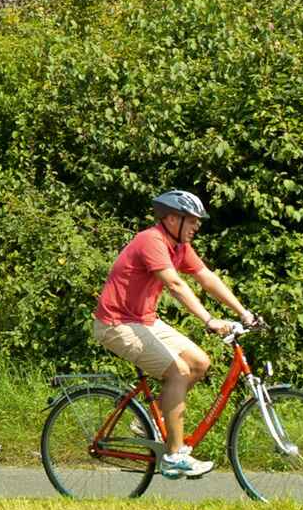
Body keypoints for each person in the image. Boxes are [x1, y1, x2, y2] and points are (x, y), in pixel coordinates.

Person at [92, 190, 256, 478]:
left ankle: (148, 424)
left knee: (200, 363)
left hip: (144, 321)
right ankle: (173, 456)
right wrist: (209, 319)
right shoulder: (151, 241)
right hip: (116, 324)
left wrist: (244, 313)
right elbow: (175, 285)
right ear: (170, 218)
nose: (197, 226)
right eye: (191, 220)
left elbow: (206, 278)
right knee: (179, 371)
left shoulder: (179, 246)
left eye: (198, 221)